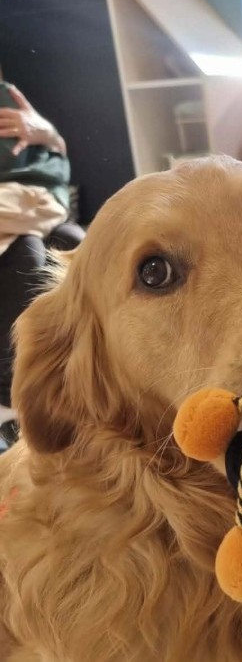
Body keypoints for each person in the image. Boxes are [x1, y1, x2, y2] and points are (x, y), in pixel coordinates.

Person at [0, 81, 85, 448]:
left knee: (75, 245)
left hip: (34, 203)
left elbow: (54, 153)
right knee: (28, 259)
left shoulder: (9, 96)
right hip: (20, 215)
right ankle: (14, 405)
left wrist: (46, 134)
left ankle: (83, 374)